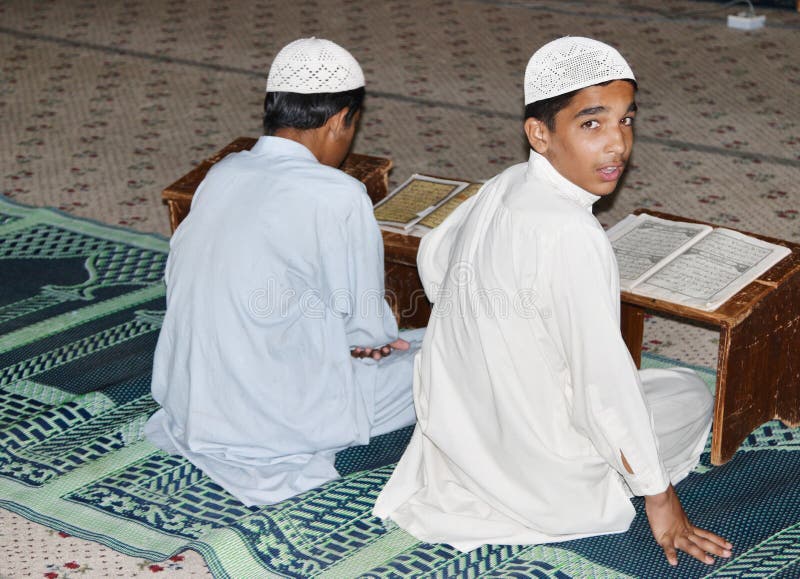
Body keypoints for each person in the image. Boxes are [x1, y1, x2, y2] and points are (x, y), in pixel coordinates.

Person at [373, 37, 732, 567]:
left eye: (625, 121)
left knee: (645, 389)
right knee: (686, 393)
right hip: (542, 466)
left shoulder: (506, 182)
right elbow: (600, 383)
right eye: (592, 124)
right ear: (540, 133)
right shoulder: (573, 235)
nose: (617, 145)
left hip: (465, 432)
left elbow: (435, 252)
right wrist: (660, 498)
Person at [145, 38, 424, 507]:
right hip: (278, 417)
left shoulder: (224, 171)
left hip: (191, 399)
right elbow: (365, 329)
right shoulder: (338, 194)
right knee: (448, 358)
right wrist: (382, 342)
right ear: (339, 120)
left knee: (415, 345)